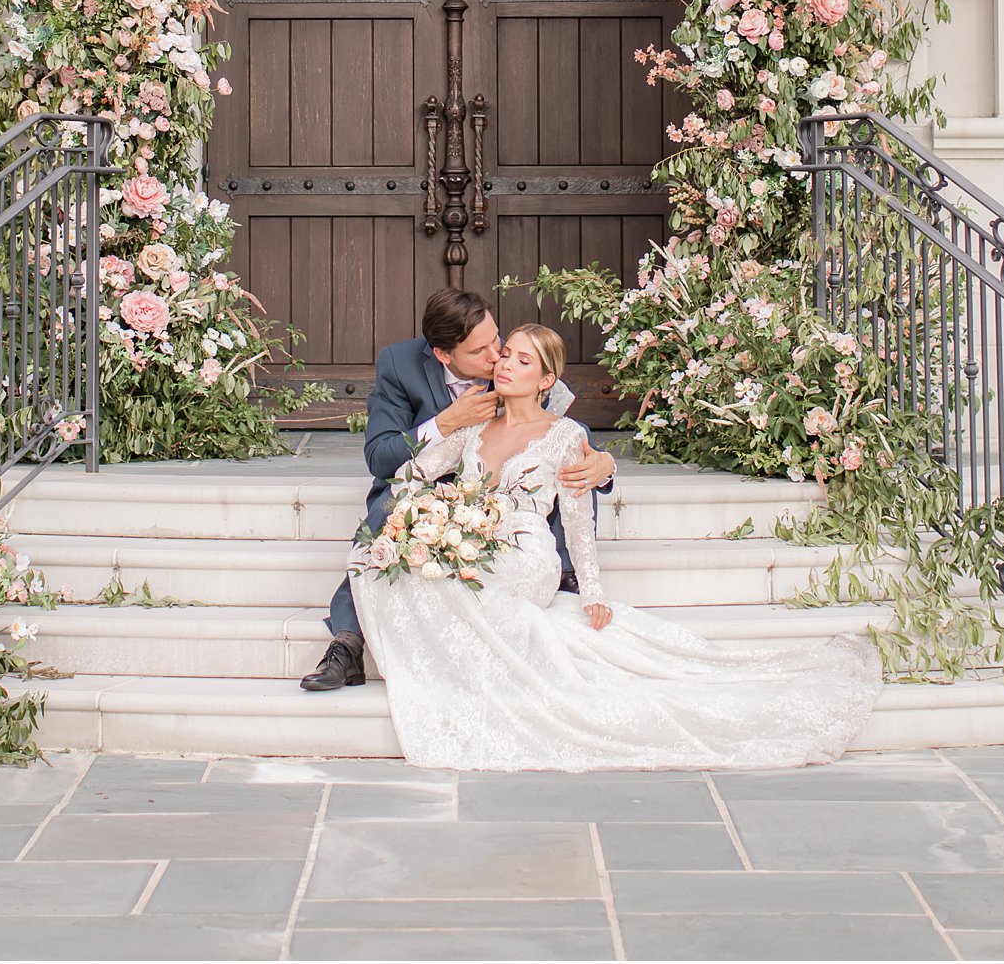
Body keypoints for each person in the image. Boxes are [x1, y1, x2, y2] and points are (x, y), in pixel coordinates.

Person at [347, 322, 884, 770]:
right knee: (396, 566)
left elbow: (578, 523)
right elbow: (411, 473)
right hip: (475, 539)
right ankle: (461, 672)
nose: (505, 364)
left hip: (526, 553)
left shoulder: (566, 435)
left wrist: (593, 592)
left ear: (547, 379)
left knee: (454, 583)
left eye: (523, 361)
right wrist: (423, 519)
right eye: (505, 354)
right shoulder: (471, 429)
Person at [299, 289, 616, 692]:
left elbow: (561, 438)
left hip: (507, 502)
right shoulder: (401, 365)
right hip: (440, 486)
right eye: (481, 351)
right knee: (387, 520)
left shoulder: (516, 362)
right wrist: (445, 422)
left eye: (497, 340)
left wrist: (605, 466)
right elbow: (382, 458)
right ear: (444, 355)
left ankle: (565, 569)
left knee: (571, 473)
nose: (497, 356)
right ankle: (348, 641)